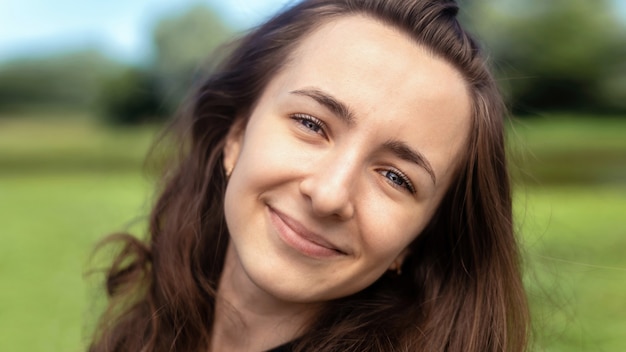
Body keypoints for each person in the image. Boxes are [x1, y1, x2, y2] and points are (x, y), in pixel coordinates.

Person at [89, 0, 529, 351]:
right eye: (312, 124)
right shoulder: (150, 331)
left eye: (396, 177)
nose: (329, 194)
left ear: (416, 239)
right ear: (236, 134)